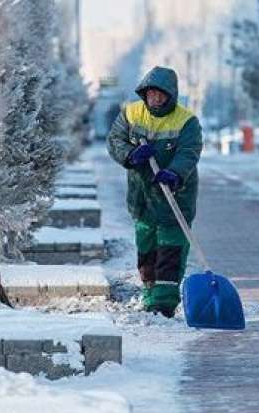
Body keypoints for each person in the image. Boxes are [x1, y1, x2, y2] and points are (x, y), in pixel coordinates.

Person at [107, 66, 203, 318]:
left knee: (170, 251)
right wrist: (131, 154)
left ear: (171, 95)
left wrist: (174, 172)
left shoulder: (186, 121)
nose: (156, 99)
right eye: (151, 94)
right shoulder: (131, 113)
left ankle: (164, 304)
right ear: (144, 93)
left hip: (175, 197)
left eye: (161, 95)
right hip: (142, 198)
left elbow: (189, 152)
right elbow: (115, 139)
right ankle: (150, 295)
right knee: (147, 250)